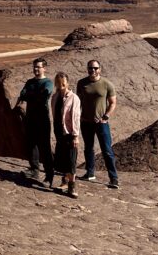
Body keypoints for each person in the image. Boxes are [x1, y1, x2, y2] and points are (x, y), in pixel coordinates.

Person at [77, 60, 119, 189]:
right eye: (90, 68)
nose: (93, 70)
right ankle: (90, 173)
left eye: (95, 68)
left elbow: (113, 102)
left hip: (101, 123)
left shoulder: (107, 84)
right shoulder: (81, 83)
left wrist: (106, 116)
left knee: (107, 150)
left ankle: (114, 178)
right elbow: (78, 101)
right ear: (87, 69)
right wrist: (79, 116)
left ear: (100, 69)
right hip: (86, 122)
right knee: (88, 148)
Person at [17, 57, 55, 185]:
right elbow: (22, 94)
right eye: (34, 67)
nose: (36, 69)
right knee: (31, 145)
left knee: (45, 148)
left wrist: (30, 95)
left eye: (38, 67)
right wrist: (33, 95)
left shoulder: (48, 82)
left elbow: (44, 95)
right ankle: (34, 170)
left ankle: (49, 176)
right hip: (30, 118)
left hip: (42, 119)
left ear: (44, 68)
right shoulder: (30, 82)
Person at [51, 72, 81, 198]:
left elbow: (75, 118)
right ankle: (64, 182)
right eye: (58, 83)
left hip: (69, 133)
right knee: (62, 158)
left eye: (63, 83)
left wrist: (75, 135)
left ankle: (72, 187)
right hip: (59, 132)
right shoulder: (55, 97)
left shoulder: (73, 98)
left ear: (67, 83)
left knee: (71, 159)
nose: (61, 85)